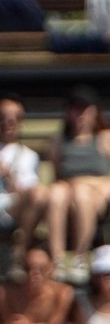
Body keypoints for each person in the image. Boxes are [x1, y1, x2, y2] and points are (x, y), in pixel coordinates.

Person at [43, 87, 110, 284]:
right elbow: (57, 176)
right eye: (76, 109)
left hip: (94, 194)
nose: (80, 115)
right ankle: (57, 258)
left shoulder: (107, 138)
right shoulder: (58, 142)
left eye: (85, 109)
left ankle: (80, 256)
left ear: (94, 111)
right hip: (67, 194)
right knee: (56, 193)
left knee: (82, 194)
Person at [0, 94, 44, 265]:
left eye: (14, 118)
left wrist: (7, 175)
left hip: (12, 207)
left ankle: (20, 250)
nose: (7, 123)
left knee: (39, 193)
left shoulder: (28, 156)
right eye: (2, 117)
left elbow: (27, 192)